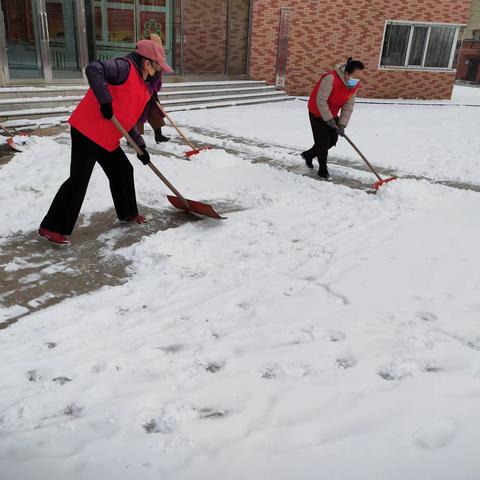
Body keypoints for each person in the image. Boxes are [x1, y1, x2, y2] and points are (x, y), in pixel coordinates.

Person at [38, 39, 173, 245]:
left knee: (123, 170)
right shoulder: (124, 68)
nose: (158, 72)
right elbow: (93, 68)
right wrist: (105, 100)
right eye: (157, 67)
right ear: (147, 63)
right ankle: (51, 227)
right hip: (87, 130)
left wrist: (141, 148)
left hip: (106, 135)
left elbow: (127, 121)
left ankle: (128, 213)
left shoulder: (143, 87)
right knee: (79, 179)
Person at [302, 57, 364, 180]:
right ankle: (322, 170)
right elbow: (321, 100)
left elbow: (348, 105)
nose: (356, 80)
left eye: (359, 77)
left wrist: (342, 124)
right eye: (355, 77)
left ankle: (308, 155)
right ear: (347, 73)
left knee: (332, 140)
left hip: (332, 113)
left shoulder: (354, 85)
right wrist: (328, 119)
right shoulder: (330, 78)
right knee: (323, 142)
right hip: (317, 112)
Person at [136, 33, 171, 143]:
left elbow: (157, 76)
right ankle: (134, 138)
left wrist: (153, 92)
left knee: (155, 112)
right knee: (138, 115)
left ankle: (158, 135)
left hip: (152, 92)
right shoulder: (142, 59)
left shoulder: (158, 56)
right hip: (140, 93)